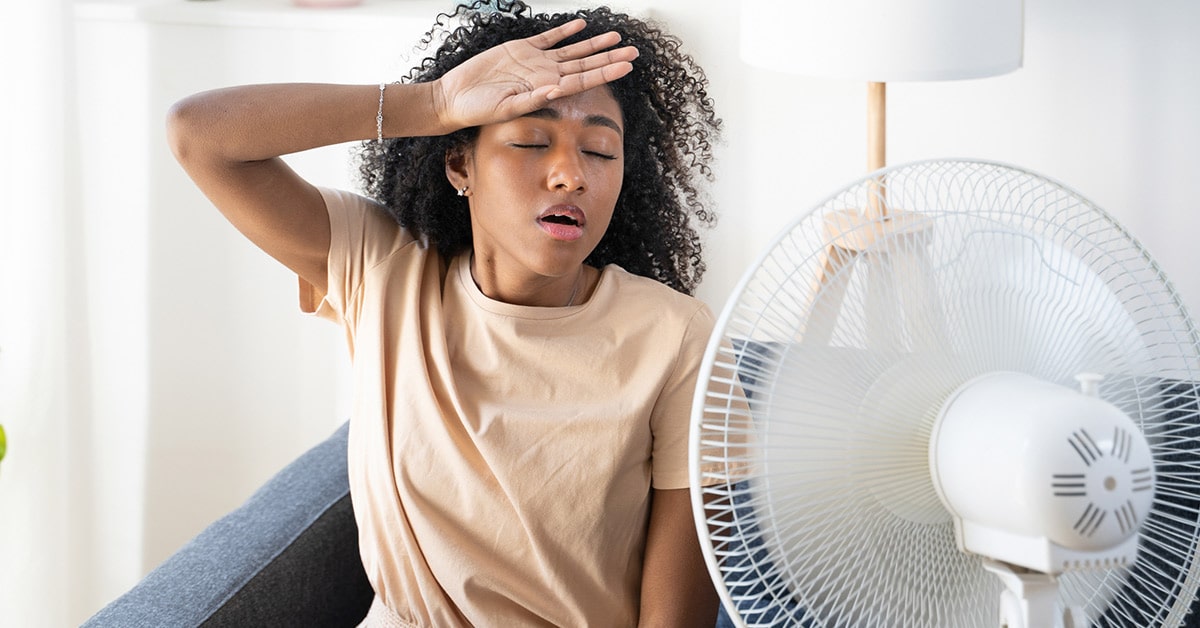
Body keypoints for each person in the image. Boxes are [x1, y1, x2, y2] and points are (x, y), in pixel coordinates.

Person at [166, 0, 723, 625]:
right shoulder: (383, 268)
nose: (570, 174)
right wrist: (429, 105)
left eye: (599, 152)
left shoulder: (678, 338)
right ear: (460, 164)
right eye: (532, 139)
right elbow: (200, 135)